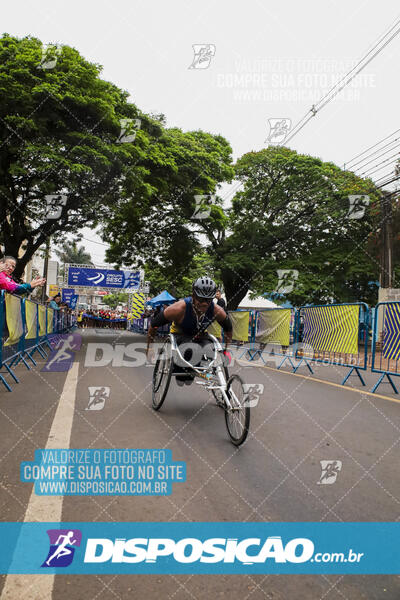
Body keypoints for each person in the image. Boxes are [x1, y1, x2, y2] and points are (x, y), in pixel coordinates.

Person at [146, 276, 232, 386]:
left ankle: (195, 371)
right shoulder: (178, 308)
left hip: (200, 335)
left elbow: (228, 328)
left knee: (210, 349)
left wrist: (226, 349)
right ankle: (181, 369)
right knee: (190, 348)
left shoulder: (216, 310)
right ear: (193, 296)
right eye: (201, 299)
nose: (205, 303)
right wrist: (150, 347)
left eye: (208, 300)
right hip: (180, 334)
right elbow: (153, 325)